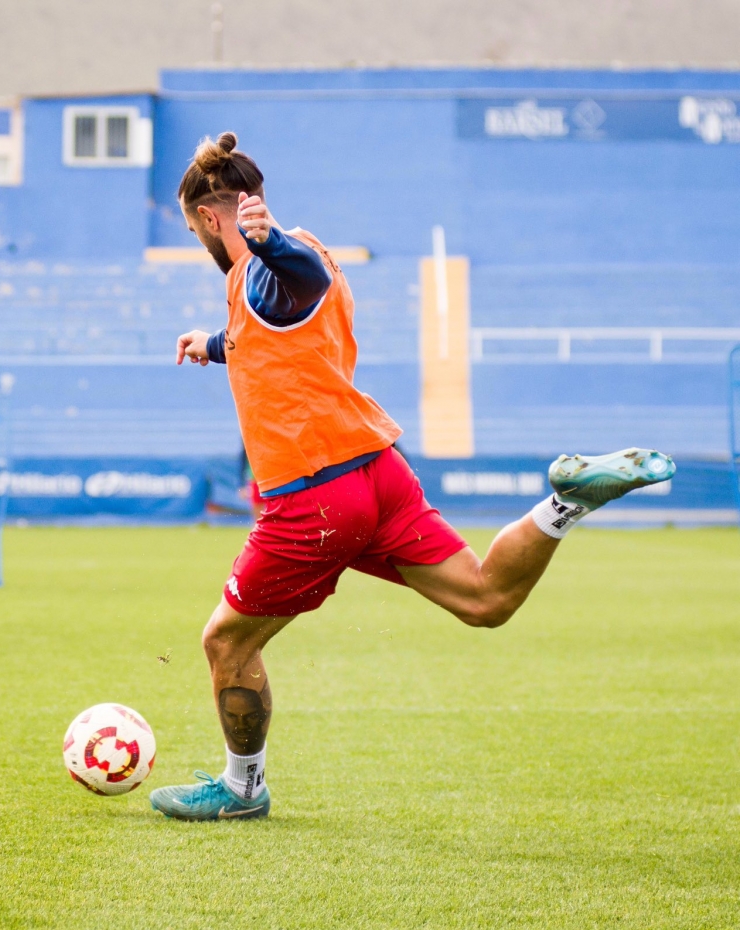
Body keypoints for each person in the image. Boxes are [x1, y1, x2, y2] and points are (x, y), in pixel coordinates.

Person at [147, 132, 676, 821]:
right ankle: (564, 504)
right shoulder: (289, 273)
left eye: (197, 231)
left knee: (226, 641)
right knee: (485, 599)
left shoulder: (272, 263)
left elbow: (291, 275)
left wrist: (267, 240)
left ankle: (243, 790)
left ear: (210, 218)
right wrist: (212, 344)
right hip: (377, 473)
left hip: (315, 500)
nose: (203, 244)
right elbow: (280, 334)